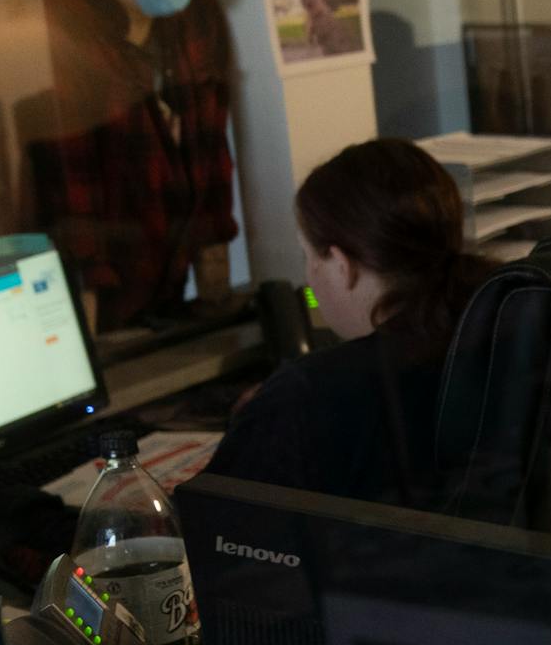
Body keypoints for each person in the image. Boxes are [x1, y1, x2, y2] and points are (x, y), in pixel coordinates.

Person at [31, 0, 237, 333]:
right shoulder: (49, 25)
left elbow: (212, 151)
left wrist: (215, 300)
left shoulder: (198, 13)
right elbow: (67, 192)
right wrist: (93, 345)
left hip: (171, 296)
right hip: (89, 309)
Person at [205, 140, 488, 509]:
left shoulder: (308, 395)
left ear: (342, 264)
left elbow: (208, 527)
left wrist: (268, 416)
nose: (309, 279)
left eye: (307, 256)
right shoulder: (503, 330)